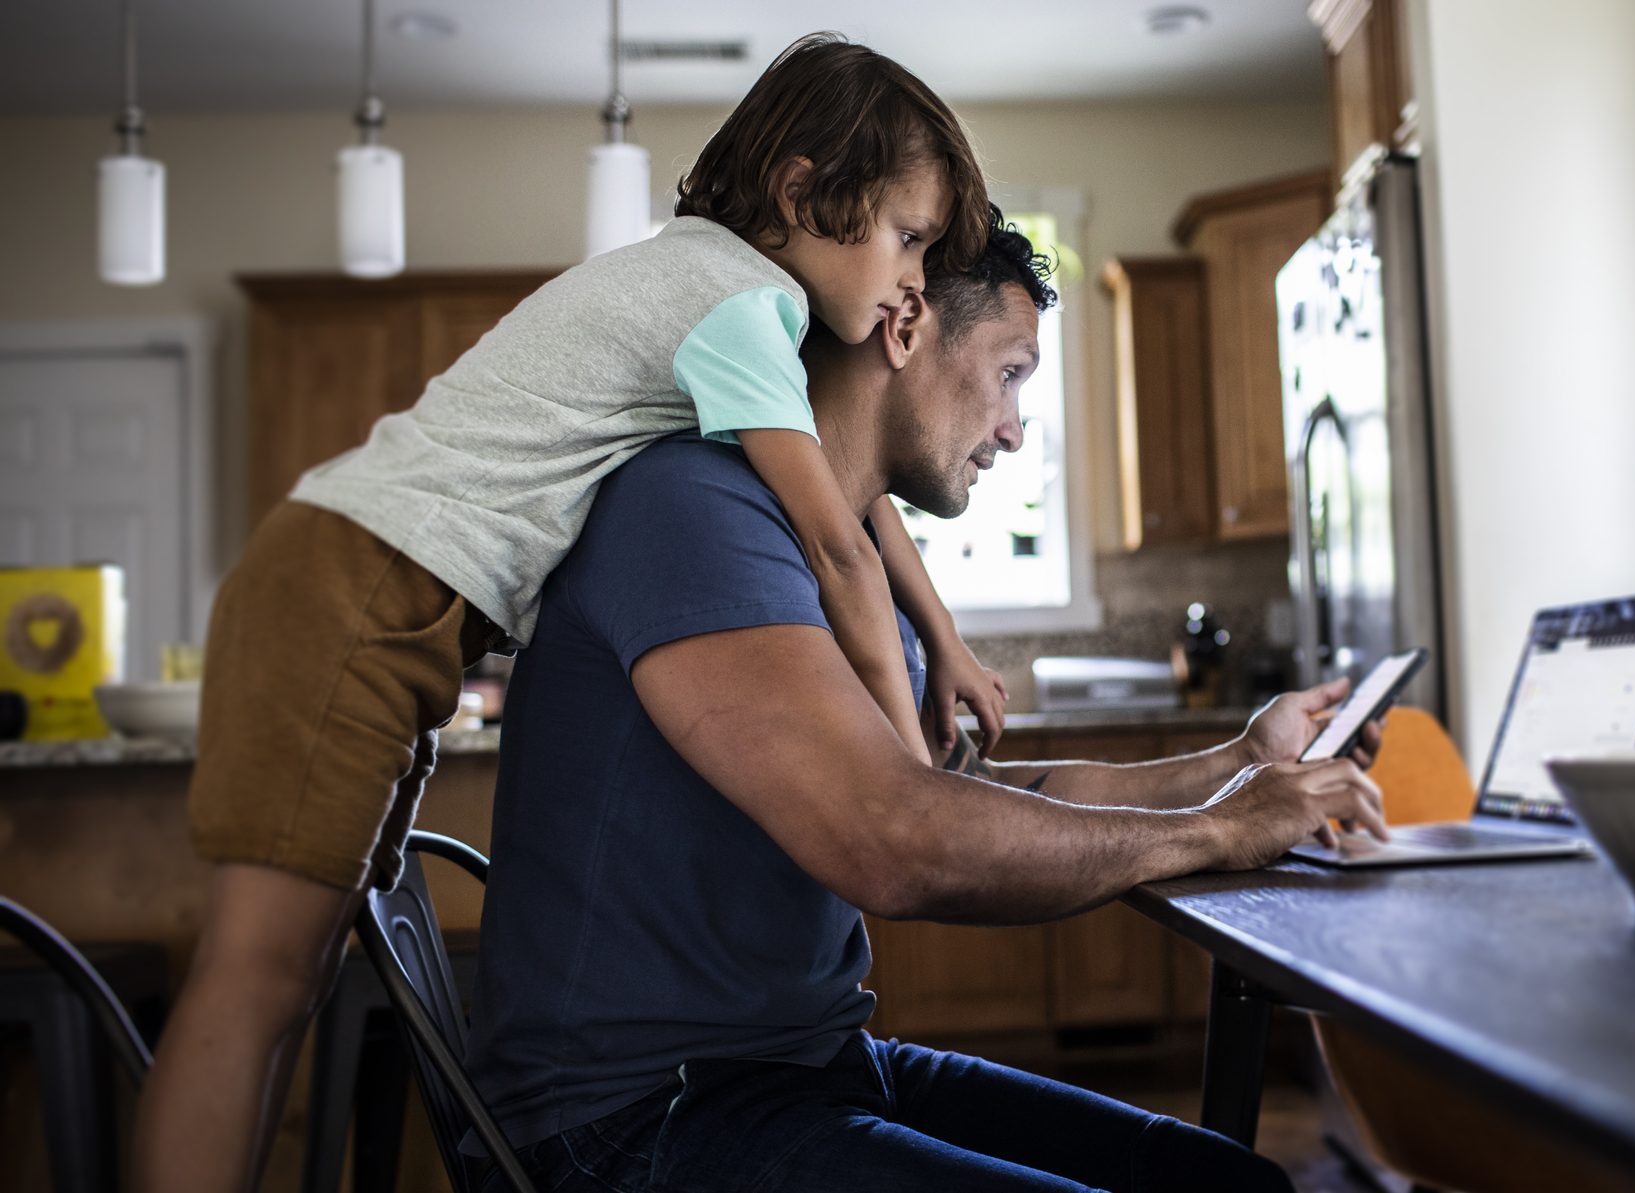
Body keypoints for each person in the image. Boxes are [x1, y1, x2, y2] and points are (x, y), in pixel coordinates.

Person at [136, 34, 1009, 1190]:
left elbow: (854, 505)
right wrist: (910, 776)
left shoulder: (732, 303)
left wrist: (942, 639)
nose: (913, 278)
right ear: (803, 194)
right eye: (907, 237)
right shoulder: (734, 302)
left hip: (386, 602)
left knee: (284, 985)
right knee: (258, 981)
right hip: (350, 585)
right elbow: (835, 544)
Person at [465, 211, 1390, 1192]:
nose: (1013, 428)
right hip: (634, 1123)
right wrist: (1214, 832)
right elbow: (898, 840)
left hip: (804, 1068)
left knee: (1230, 1182)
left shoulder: (844, 553)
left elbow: (971, 794)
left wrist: (1240, 767)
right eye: (1010, 372)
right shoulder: (689, 507)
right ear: (904, 329)